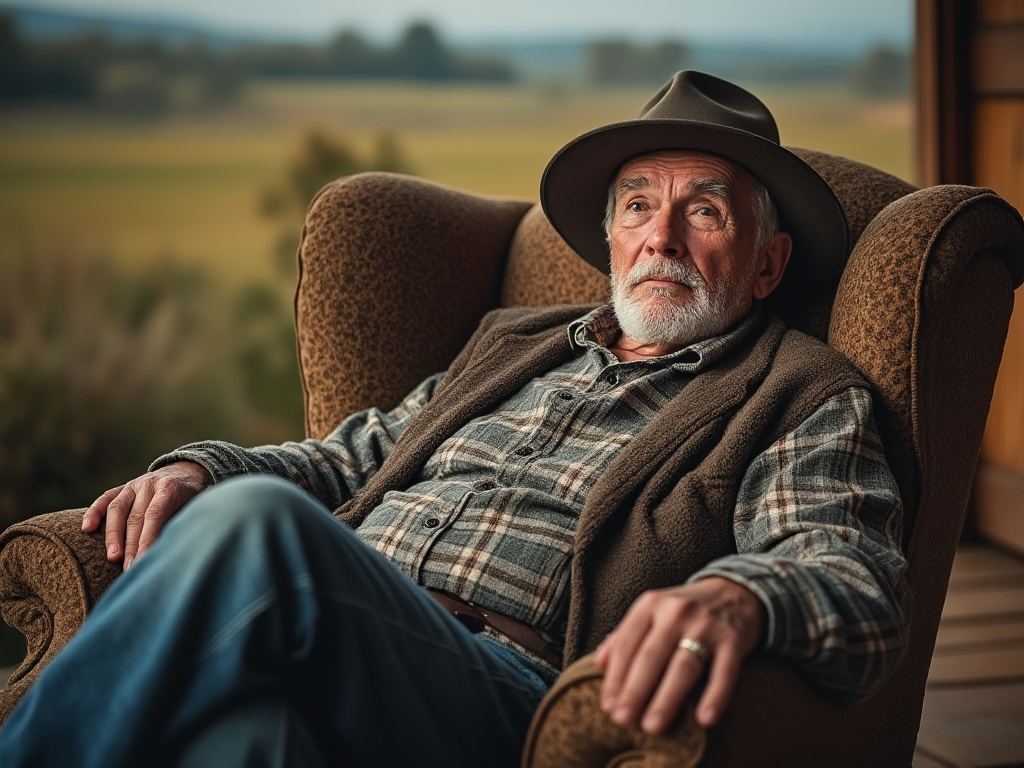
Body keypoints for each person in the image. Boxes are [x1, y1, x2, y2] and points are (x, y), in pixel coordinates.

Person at [0, 71, 910, 767]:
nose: (660, 238)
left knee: (255, 527)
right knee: (246, 737)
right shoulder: (514, 344)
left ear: (767, 262)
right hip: (337, 638)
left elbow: (851, 573)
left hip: (501, 688)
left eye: (703, 211)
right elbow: (351, 457)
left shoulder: (799, 391)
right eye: (638, 206)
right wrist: (201, 468)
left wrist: (742, 595)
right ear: (611, 238)